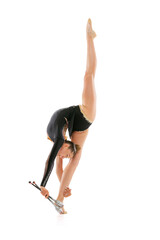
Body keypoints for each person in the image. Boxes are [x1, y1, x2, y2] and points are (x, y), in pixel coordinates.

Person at [40, 18, 97, 214]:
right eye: (65, 154)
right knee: (77, 157)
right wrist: (63, 186)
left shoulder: (58, 141)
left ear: (63, 146)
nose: (61, 156)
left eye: (63, 153)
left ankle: (89, 36)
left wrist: (42, 185)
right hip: (82, 122)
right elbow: (58, 169)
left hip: (81, 114)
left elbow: (50, 163)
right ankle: (60, 201)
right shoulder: (62, 142)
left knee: (88, 75)